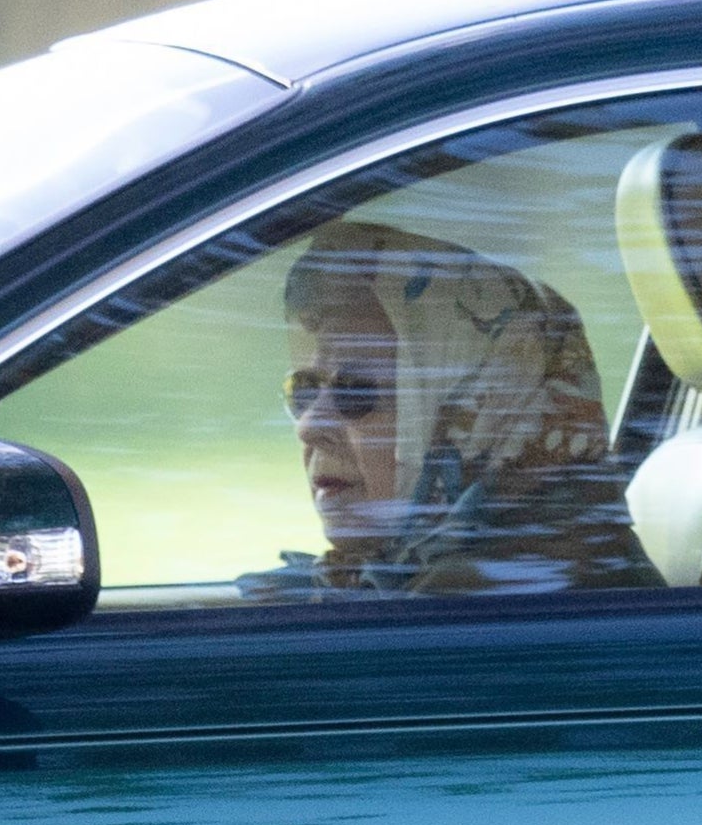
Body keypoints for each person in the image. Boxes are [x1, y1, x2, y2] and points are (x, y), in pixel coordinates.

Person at [273, 216, 655, 594]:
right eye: (304, 389)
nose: (308, 427)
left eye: (354, 392)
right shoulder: (408, 573)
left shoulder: (498, 599)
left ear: (477, 413)